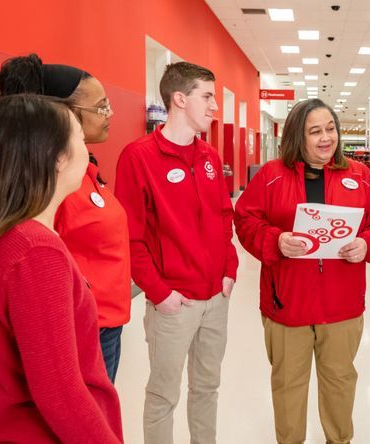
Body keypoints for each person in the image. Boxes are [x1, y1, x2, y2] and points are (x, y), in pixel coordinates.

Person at [0, 94, 122, 443]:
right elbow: (61, 394)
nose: (86, 147)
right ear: (57, 157)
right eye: (79, 136)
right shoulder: (36, 252)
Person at [234, 98, 370, 444]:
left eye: (331, 128)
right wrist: (275, 240)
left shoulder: (361, 177)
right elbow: (245, 220)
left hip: (342, 304)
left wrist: (367, 243)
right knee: (288, 386)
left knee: (340, 383)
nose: (326, 138)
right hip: (287, 303)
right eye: (315, 131)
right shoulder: (271, 176)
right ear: (297, 136)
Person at [114, 61, 238, 444]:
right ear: (179, 99)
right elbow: (129, 237)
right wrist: (160, 293)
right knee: (163, 395)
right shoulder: (139, 157)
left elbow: (222, 218)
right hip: (174, 302)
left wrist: (229, 269)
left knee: (207, 388)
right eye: (207, 96)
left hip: (216, 297)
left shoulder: (210, 158)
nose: (215, 106)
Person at [0, 54, 130, 383]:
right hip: (82, 327)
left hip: (106, 322)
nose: (110, 114)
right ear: (63, 115)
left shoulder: (85, 173)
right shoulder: (53, 185)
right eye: (101, 107)